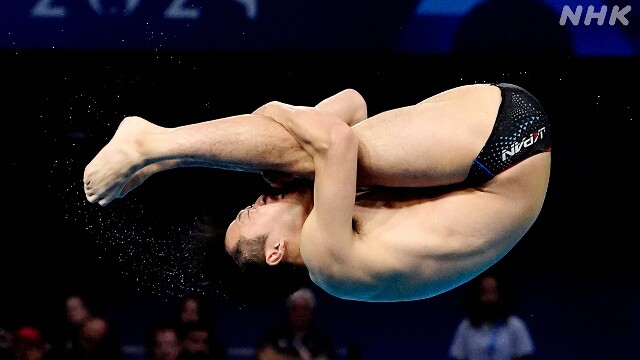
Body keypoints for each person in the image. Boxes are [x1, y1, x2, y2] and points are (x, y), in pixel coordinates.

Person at [83, 83, 551, 302]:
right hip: (503, 152)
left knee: (305, 151)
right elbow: (336, 138)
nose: (259, 200)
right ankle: (158, 145)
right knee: (311, 149)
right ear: (275, 253)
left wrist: (286, 151)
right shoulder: (329, 264)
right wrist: (274, 112)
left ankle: (161, 151)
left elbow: (352, 101)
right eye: (250, 213)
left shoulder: (336, 222)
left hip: (501, 147)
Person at [448, 272, 535, 360]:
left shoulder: (515, 325)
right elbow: (458, 356)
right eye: (485, 292)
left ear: (500, 294)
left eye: (493, 291)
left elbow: (523, 355)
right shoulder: (466, 326)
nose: (489, 297)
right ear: (478, 295)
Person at [255, 288, 335, 360]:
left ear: (311, 311)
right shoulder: (273, 336)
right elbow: (264, 356)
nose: (300, 313)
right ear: (289, 311)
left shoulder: (322, 341)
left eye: (304, 309)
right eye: (295, 308)